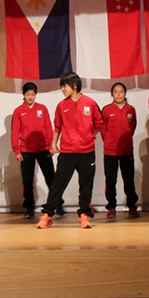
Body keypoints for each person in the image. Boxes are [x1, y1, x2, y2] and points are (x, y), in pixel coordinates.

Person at [37, 72, 103, 230]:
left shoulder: (90, 103)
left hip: (87, 152)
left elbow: (99, 123)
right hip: (67, 151)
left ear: (74, 86)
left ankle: (84, 215)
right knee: (58, 183)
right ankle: (47, 215)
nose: (62, 89)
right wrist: (53, 144)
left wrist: (89, 135)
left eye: (64, 86)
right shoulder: (62, 105)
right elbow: (57, 127)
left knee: (86, 184)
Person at [11, 82, 63, 220]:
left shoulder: (42, 109)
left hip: (43, 149)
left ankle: (58, 204)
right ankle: (29, 207)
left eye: (33, 94)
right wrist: (17, 150)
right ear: (23, 95)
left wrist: (51, 145)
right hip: (26, 150)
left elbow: (48, 127)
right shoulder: (18, 111)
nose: (30, 97)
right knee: (27, 180)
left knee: (51, 178)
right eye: (28, 94)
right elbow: (15, 132)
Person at [100, 82, 140, 219]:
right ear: (112, 94)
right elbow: (103, 129)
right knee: (110, 180)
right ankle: (111, 206)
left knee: (129, 180)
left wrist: (126, 140)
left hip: (127, 151)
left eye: (121, 92)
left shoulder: (131, 110)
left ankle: (132, 206)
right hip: (110, 151)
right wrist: (109, 141)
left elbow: (132, 126)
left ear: (125, 94)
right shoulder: (106, 110)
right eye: (116, 92)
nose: (118, 94)